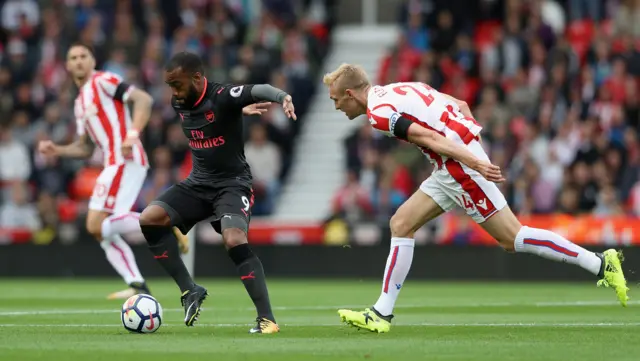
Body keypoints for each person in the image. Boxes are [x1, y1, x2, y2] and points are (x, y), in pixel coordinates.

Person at [322, 63, 629, 333]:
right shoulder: (397, 89)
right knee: (401, 223)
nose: (336, 107)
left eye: (336, 100)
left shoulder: (378, 114)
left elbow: (430, 138)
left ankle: (601, 264)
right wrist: (469, 144)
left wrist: (474, 161)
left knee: (512, 237)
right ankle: (381, 313)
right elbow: (459, 102)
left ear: (351, 94)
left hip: (457, 164)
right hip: (449, 164)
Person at [138, 51, 296, 334]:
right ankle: (190, 291)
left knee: (234, 238)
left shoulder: (222, 95)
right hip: (198, 183)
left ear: (198, 78)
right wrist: (234, 114)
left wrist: (281, 96)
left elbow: (257, 89)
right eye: (169, 85)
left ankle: (267, 319)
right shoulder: (179, 100)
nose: (172, 92)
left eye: (177, 84)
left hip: (233, 184)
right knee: (149, 218)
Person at [37, 42, 191, 300]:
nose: (78, 61)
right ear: (66, 65)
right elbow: (86, 148)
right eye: (72, 57)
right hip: (112, 162)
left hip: (126, 159)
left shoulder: (103, 80)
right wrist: (58, 150)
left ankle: (164, 223)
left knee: (97, 224)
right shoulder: (79, 103)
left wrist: (132, 134)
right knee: (100, 229)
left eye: (83, 56)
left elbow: (143, 98)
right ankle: (137, 283)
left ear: (92, 60)